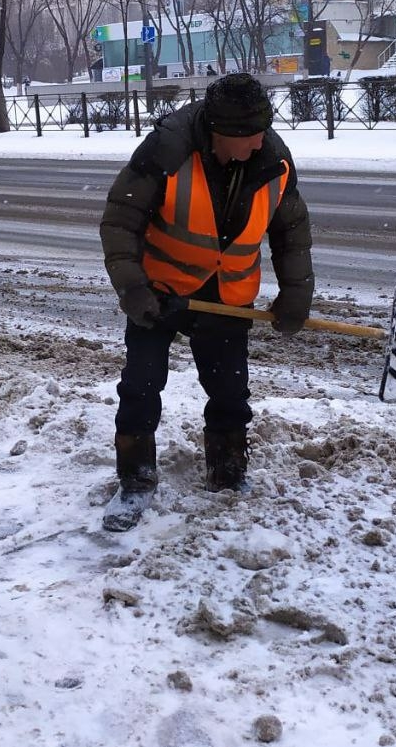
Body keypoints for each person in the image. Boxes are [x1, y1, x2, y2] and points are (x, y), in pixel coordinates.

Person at [98, 73, 314, 532]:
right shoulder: (167, 151)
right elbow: (120, 221)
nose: (259, 144)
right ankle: (135, 477)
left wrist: (296, 294)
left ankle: (228, 467)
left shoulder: (273, 159)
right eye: (248, 136)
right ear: (219, 133)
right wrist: (135, 290)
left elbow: (290, 233)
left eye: (263, 132)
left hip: (228, 296)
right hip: (161, 290)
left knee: (230, 390)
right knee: (141, 383)